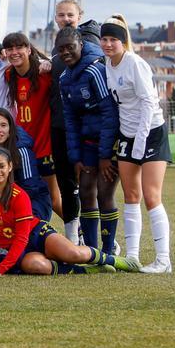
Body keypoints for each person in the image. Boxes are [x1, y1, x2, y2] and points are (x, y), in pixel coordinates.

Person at [0, 147, 137, 275]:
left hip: (36, 235)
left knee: (73, 254)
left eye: (1, 166)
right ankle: (85, 270)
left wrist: (0, 270)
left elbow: (22, 237)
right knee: (37, 266)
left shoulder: (20, 195)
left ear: (10, 167)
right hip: (15, 248)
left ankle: (115, 261)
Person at [100, 14, 172, 273]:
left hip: (150, 132)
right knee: (131, 195)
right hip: (127, 135)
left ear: (123, 42)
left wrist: (140, 139)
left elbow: (148, 103)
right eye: (104, 39)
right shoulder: (107, 63)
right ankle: (132, 256)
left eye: (113, 40)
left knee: (151, 196)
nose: (108, 44)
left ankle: (163, 260)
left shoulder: (135, 63)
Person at [2, 31, 74, 239]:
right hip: (24, 146)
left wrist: (50, 63)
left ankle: (80, 232)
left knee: (54, 197)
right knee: (25, 194)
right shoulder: (9, 74)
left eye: (19, 47)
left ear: (28, 49)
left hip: (45, 145)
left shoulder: (44, 73)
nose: (14, 52)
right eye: (10, 49)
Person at [56, 26, 119, 252]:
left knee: (104, 192)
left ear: (80, 46)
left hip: (108, 143)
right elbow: (70, 120)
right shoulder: (64, 78)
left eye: (70, 47)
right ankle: (92, 252)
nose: (66, 52)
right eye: (61, 49)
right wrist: (76, 158)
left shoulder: (95, 70)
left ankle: (109, 251)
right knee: (85, 191)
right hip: (87, 145)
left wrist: (106, 155)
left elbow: (110, 112)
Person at [48, 0, 103, 242]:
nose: (66, 19)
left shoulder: (90, 46)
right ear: (55, 19)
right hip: (61, 124)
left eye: (70, 14)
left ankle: (101, 242)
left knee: (91, 187)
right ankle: (73, 238)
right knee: (66, 183)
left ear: (79, 16)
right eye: (61, 15)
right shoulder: (57, 50)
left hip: (85, 128)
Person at [0, 108, 56, 223]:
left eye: (3, 125)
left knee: (18, 225)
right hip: (0, 199)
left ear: (10, 129)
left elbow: (31, 187)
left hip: (31, 200)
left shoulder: (21, 150)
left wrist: (8, 207)